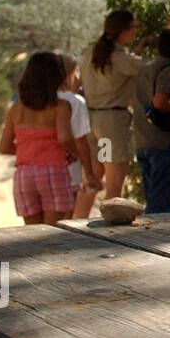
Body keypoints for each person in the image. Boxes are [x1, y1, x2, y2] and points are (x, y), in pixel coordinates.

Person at [0, 52, 77, 225]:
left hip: (24, 176)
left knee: (32, 236)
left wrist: (29, 151)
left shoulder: (16, 108)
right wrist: (76, 153)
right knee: (50, 235)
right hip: (53, 172)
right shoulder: (60, 106)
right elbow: (64, 138)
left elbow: (4, 147)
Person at [80, 10, 143, 203]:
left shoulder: (89, 52)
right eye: (134, 27)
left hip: (91, 121)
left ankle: (75, 221)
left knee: (92, 181)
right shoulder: (122, 59)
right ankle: (111, 228)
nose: (137, 30)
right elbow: (152, 69)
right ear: (123, 31)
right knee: (114, 187)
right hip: (112, 125)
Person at [132, 24, 170, 214]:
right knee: (162, 208)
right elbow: (160, 102)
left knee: (153, 199)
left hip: (143, 141)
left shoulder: (144, 69)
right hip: (164, 144)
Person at [55, 51, 102, 216]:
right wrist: (89, 173)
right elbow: (81, 141)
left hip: (49, 164)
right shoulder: (76, 102)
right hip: (72, 166)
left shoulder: (46, 99)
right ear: (70, 74)